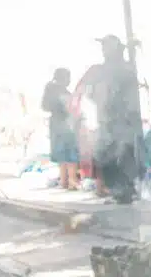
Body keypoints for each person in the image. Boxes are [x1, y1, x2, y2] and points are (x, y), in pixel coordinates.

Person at [78, 35, 142, 203]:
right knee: (105, 155)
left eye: (107, 47)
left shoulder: (124, 69)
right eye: (103, 47)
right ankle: (118, 191)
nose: (104, 50)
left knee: (122, 154)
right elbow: (88, 91)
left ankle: (125, 191)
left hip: (122, 121)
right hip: (107, 121)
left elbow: (129, 96)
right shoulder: (101, 70)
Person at [42, 68, 80, 189]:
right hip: (66, 124)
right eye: (68, 78)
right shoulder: (63, 93)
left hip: (55, 124)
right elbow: (71, 109)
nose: (69, 80)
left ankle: (64, 181)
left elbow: (44, 106)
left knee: (61, 154)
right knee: (71, 153)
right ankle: (72, 182)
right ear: (63, 78)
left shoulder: (49, 91)